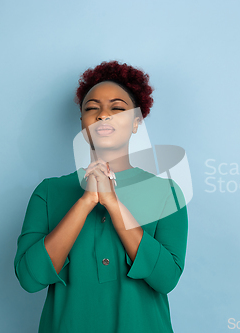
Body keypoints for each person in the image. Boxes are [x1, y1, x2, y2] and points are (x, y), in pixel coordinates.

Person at [14, 60, 189, 333]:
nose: (103, 115)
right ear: (82, 122)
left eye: (117, 108)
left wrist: (113, 204)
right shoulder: (48, 192)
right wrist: (85, 202)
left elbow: (165, 279)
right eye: (91, 108)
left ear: (137, 122)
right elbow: (30, 278)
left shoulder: (167, 193)